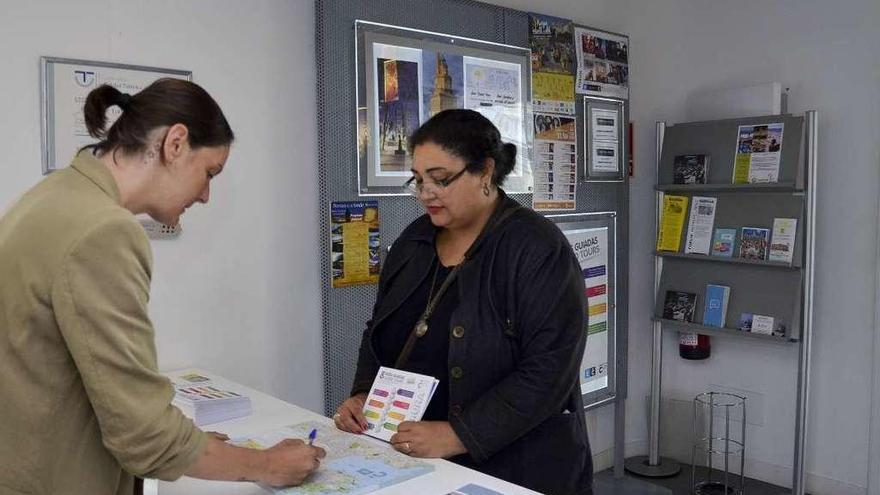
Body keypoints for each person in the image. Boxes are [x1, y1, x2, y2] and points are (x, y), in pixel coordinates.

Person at [0, 79, 325, 495]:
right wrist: (263, 464)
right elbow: (143, 436)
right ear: (175, 143)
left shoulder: (53, 194)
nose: (206, 195)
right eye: (209, 173)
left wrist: (195, 445)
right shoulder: (104, 230)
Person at [333, 109, 593, 495]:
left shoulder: (537, 247)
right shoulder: (413, 242)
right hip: (417, 462)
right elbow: (380, 329)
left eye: (441, 180)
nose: (425, 194)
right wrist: (363, 395)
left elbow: (550, 369)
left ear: (485, 172)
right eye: (418, 180)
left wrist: (459, 435)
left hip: (518, 467)